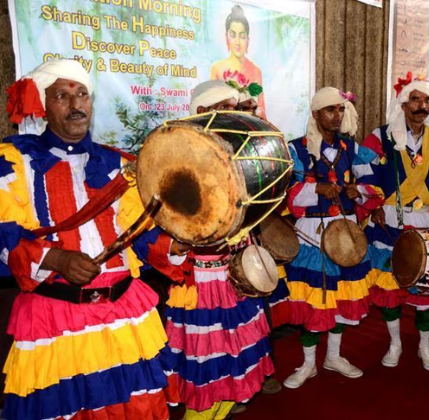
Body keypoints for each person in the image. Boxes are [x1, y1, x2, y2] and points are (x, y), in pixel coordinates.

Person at [0, 59, 188, 420]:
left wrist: (178, 246)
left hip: (124, 313)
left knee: (132, 407)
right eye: (62, 96)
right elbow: (5, 234)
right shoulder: (15, 161)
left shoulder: (119, 163)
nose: (76, 105)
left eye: (82, 95)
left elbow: (140, 232)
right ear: (43, 105)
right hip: (56, 318)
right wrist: (56, 259)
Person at [163, 80, 275, 420]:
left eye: (235, 108)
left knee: (233, 367)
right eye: (225, 109)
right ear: (201, 113)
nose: (233, 117)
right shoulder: (176, 160)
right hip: (203, 283)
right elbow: (167, 230)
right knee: (208, 372)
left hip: (237, 277)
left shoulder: (235, 154)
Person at [282, 87, 382, 389]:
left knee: (338, 298)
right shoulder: (297, 150)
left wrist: (359, 191)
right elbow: (289, 196)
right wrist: (318, 189)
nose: (337, 116)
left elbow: (374, 186)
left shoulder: (352, 149)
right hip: (312, 234)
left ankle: (333, 357)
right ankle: (309, 363)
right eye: (330, 110)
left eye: (340, 110)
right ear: (315, 114)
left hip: (346, 233)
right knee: (315, 301)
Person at [362, 72, 429, 371]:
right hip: (389, 216)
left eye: (426, 100)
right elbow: (365, 173)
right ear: (403, 105)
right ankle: (395, 343)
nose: (421, 105)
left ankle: (425, 346)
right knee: (390, 285)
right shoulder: (379, 137)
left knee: (426, 283)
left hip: (425, 218)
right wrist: (373, 204)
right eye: (415, 99)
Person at [210, 5, 266, 117]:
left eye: (242, 36)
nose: (237, 42)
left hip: (248, 125)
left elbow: (260, 108)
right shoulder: (217, 69)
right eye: (232, 35)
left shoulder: (255, 71)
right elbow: (212, 107)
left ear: (248, 40)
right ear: (226, 37)